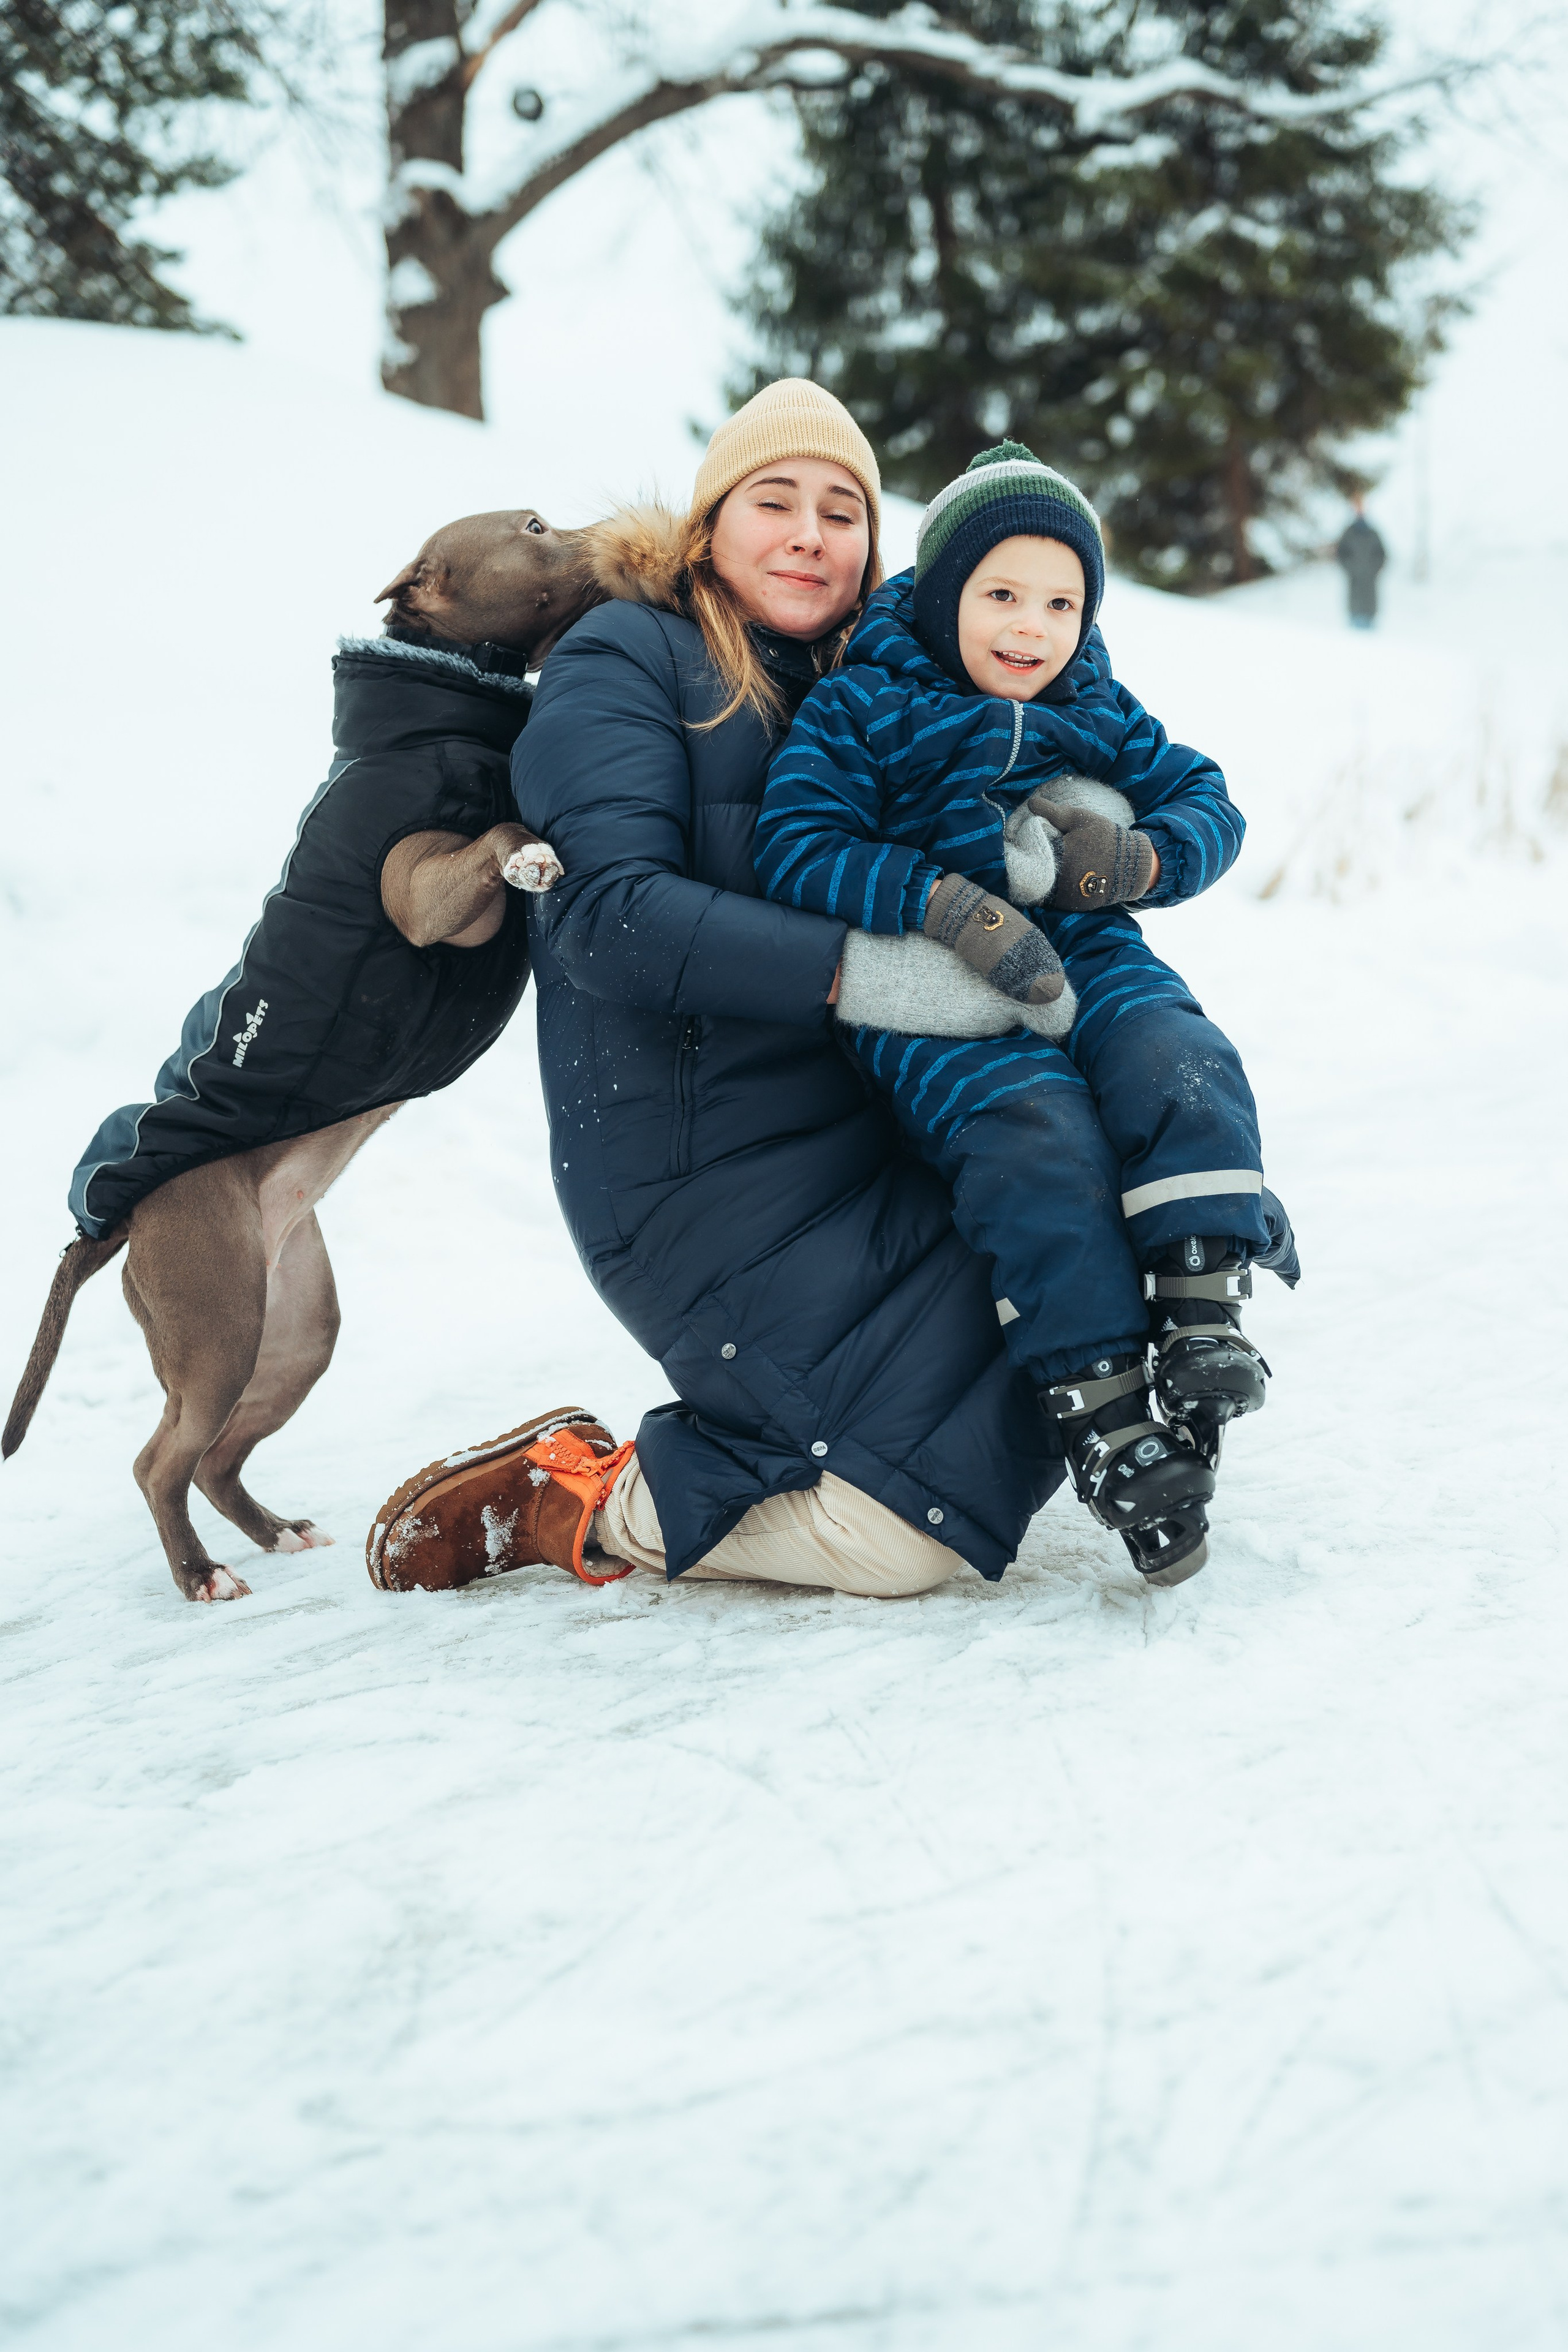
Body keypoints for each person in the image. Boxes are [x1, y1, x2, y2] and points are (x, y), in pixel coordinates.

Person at [369, 382, 1071, 1600]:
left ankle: (772, 1450)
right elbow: (600, 916)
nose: (810, 533)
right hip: (693, 1169)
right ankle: (582, 1502)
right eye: (774, 500)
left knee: (1058, 1343)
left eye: (842, 510)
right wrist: (869, 975)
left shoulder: (871, 688)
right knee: (908, 1538)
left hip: (862, 1140)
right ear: (708, 527)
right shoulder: (626, 655)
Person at [753, 441, 1297, 1584]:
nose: (1031, 628)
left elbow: (1212, 800)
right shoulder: (869, 704)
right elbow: (794, 846)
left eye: (1061, 602)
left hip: (1089, 947)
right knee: (1035, 1140)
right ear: (948, 593)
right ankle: (1100, 1400)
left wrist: (1140, 860)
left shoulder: (1094, 701)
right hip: (942, 993)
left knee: (1178, 1054)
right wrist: (941, 902)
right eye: (1001, 595)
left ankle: (1201, 1303)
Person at [1336, 496, 1387, 630]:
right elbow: (1341, 555)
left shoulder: (1373, 534)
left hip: (1370, 589)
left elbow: (1383, 556)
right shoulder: (1349, 533)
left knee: (1369, 631)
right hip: (1355, 587)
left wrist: (1373, 569)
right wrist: (1351, 567)